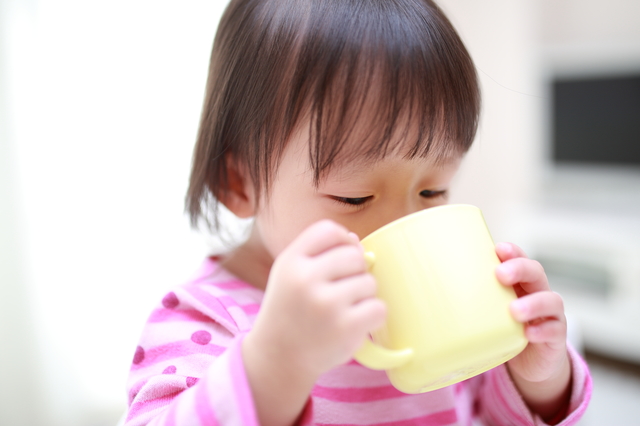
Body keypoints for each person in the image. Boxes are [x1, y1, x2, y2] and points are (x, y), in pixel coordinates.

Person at [124, 0, 592, 425]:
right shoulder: (204, 321)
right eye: (354, 198)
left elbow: (488, 412)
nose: (402, 222)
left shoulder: (442, 299)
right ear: (238, 182)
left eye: (433, 190)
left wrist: (539, 381)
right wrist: (275, 362)